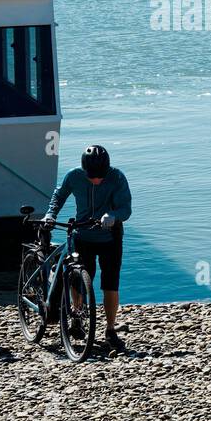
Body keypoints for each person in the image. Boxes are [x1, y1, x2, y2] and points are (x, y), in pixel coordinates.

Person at [44, 144, 132, 353]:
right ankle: (77, 316)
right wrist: (51, 214)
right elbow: (59, 196)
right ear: (84, 170)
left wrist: (113, 215)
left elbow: (126, 208)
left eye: (100, 176)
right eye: (92, 176)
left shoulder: (117, 178)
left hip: (110, 237)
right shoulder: (74, 176)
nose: (96, 180)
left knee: (110, 283)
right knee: (79, 280)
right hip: (82, 235)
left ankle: (110, 329)